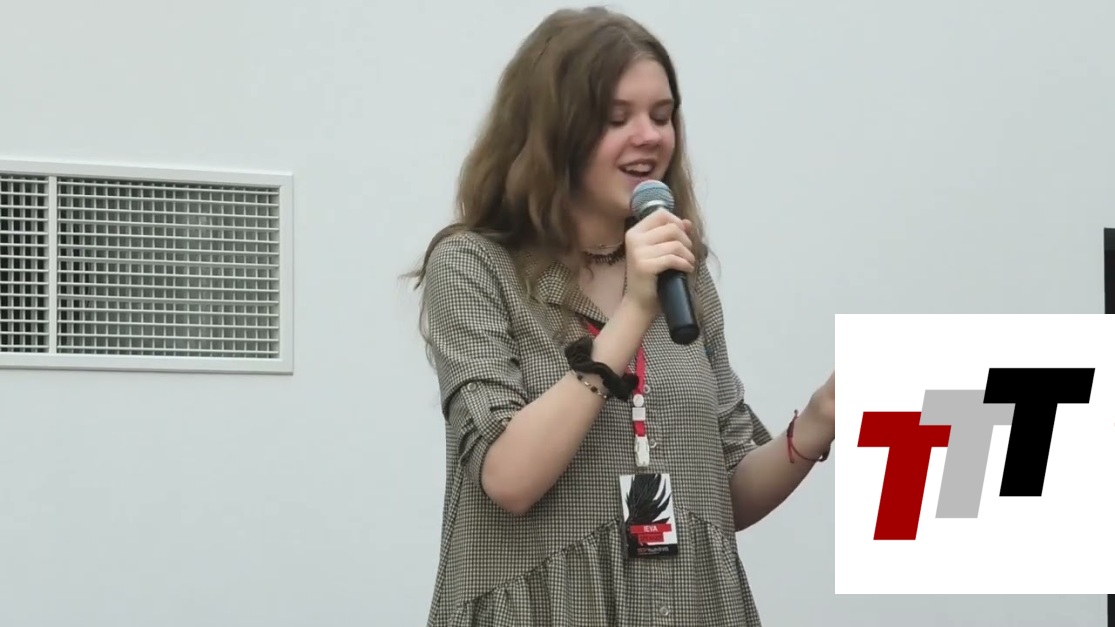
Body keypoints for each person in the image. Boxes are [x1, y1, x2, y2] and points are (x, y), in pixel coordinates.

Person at [408, 6, 836, 626]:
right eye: (617, 119)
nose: (649, 136)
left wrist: (820, 420)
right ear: (552, 134)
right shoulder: (474, 266)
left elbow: (723, 492)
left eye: (662, 116)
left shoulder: (685, 276)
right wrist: (634, 309)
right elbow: (508, 477)